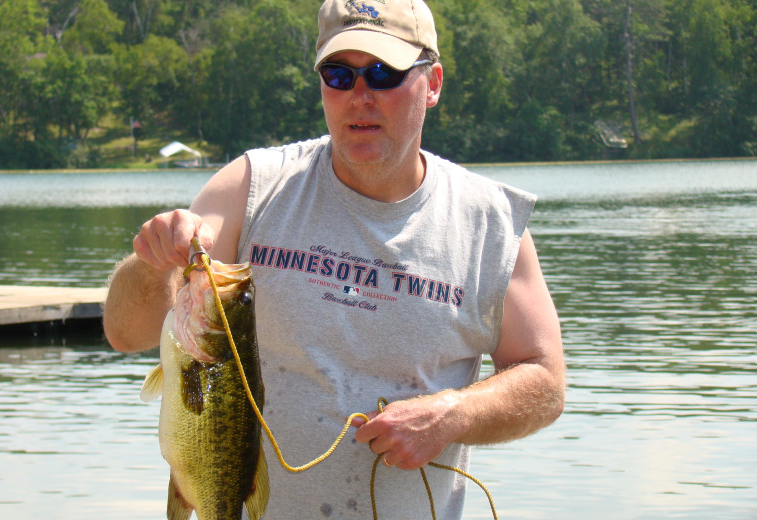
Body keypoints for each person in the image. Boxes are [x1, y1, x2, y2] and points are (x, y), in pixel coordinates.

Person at [104, 0, 564, 518]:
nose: (359, 96)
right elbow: (125, 332)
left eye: (384, 74)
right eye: (339, 75)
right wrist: (153, 262)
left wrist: (452, 414)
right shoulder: (251, 188)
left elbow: (545, 381)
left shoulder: (490, 223)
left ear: (432, 84)